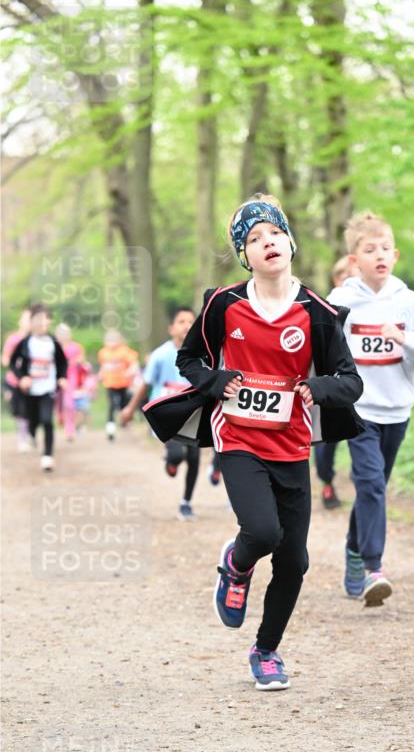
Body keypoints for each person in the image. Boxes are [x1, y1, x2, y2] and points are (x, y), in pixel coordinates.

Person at [143, 194, 363, 690]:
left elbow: (351, 381)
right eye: (254, 239)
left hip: (292, 444)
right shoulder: (223, 304)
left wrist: (318, 388)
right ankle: (236, 564)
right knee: (262, 533)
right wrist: (216, 381)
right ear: (245, 256)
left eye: (274, 234)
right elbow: (189, 361)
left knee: (295, 560)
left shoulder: (319, 311)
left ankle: (266, 651)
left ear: (291, 241)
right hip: (238, 436)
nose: (267, 243)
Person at [329, 210, 414, 606]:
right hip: (357, 410)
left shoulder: (408, 301)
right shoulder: (341, 301)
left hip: (397, 411)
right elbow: (322, 349)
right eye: (369, 248)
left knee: (372, 489)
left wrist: (404, 339)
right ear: (354, 260)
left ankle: (354, 550)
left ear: (395, 256)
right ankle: (375, 566)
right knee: (371, 484)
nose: (379, 254)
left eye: (385, 248)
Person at [120, 307, 200, 521]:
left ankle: (186, 503)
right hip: (168, 415)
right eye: (182, 321)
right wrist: (129, 408)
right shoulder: (160, 355)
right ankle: (171, 460)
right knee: (176, 455)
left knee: (193, 457)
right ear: (171, 328)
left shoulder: (201, 353)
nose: (187, 326)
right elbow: (145, 384)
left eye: (191, 322)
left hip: (192, 415)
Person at [313, 256, 361, 511]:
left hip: (359, 387)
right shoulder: (327, 307)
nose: (348, 280)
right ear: (335, 279)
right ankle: (326, 480)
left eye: (353, 275)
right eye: (344, 275)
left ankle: (360, 478)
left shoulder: (367, 307)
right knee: (327, 442)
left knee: (360, 435)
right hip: (331, 384)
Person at [10, 304, 67, 470]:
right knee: (33, 419)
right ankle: (32, 434)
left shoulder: (53, 343)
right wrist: (22, 378)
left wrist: (62, 377)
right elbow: (14, 363)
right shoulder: (25, 342)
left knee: (47, 420)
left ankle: (47, 456)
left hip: (48, 388)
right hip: (30, 391)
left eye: (47, 319)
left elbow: (62, 362)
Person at [97, 329, 138, 440]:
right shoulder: (103, 352)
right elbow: (103, 367)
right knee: (112, 404)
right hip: (110, 384)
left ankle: (125, 422)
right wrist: (99, 376)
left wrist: (129, 372)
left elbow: (134, 364)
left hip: (123, 384)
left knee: (123, 405)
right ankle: (110, 429)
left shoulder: (125, 351)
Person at [2, 307, 31, 451]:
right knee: (18, 411)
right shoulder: (13, 339)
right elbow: (5, 359)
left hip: (32, 382)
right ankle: (24, 435)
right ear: (20, 322)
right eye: (26, 319)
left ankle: (26, 435)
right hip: (14, 381)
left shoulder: (36, 339)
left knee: (29, 409)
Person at [54, 323, 88, 442]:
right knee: (57, 404)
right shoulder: (54, 347)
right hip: (56, 378)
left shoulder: (75, 347)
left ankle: (69, 430)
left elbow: (82, 360)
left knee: (69, 404)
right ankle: (60, 418)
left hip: (71, 378)